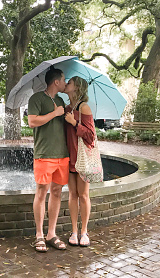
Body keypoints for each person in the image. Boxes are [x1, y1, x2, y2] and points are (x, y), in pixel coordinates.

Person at [27, 68, 69, 253]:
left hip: (62, 155)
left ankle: (51, 234)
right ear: (56, 82)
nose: (65, 83)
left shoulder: (61, 101)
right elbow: (32, 122)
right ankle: (38, 235)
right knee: (41, 192)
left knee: (57, 192)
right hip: (44, 154)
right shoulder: (36, 99)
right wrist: (55, 113)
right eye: (64, 80)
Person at [63, 76, 96, 247]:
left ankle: (84, 232)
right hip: (69, 158)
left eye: (69, 83)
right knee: (72, 194)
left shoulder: (84, 108)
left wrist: (74, 122)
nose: (66, 84)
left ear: (77, 88)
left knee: (83, 195)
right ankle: (74, 231)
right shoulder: (67, 108)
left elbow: (91, 136)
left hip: (82, 159)